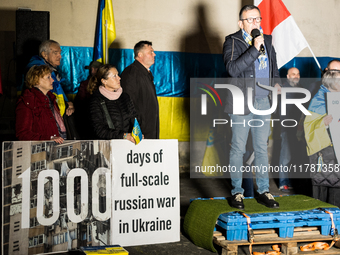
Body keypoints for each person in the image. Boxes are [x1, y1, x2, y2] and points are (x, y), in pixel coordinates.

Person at [223, 5, 281, 209]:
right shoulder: (233, 41)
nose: (256, 23)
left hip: (263, 101)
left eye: (258, 19)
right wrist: (254, 48)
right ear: (241, 23)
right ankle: (237, 192)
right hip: (241, 102)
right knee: (238, 148)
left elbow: (273, 64)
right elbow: (232, 69)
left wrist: (277, 82)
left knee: (261, 148)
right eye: (250, 20)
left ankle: (264, 190)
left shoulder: (268, 39)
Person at [304, 70, 340, 207]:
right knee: (321, 190)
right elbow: (308, 127)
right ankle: (321, 221)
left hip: (337, 153)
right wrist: (322, 124)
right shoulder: (317, 101)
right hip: (323, 154)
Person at [89, 64, 139, 143]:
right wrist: (124, 136)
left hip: (128, 145)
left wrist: (137, 133)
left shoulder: (125, 96)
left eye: (118, 75)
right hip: (108, 147)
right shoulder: (96, 101)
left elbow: (134, 118)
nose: (119, 78)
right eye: (114, 76)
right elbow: (99, 130)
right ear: (104, 81)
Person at [16, 65, 65, 144]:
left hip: (57, 148)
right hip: (42, 151)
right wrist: (48, 139)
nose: (52, 80)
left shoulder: (52, 99)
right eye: (48, 77)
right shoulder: (27, 101)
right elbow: (22, 134)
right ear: (36, 80)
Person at [120, 41, 159, 139]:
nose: (154, 54)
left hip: (149, 130)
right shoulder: (131, 73)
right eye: (150, 52)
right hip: (139, 133)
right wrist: (136, 130)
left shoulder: (145, 73)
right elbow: (128, 103)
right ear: (140, 55)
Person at [25, 40, 74, 117]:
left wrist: (66, 104)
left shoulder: (51, 69)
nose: (60, 56)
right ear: (44, 54)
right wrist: (66, 105)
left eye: (60, 53)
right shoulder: (39, 70)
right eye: (55, 53)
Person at [278, 67, 302, 192]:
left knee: (295, 157)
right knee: (286, 157)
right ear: (287, 76)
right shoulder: (282, 90)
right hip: (287, 128)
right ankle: (283, 183)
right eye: (293, 74)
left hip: (300, 129)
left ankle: (292, 182)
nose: (296, 76)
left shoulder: (301, 89)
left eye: (297, 74)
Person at [74, 60, 103, 139]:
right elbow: (79, 102)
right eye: (92, 69)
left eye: (95, 69)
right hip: (89, 120)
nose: (92, 71)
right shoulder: (85, 84)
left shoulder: (104, 84)